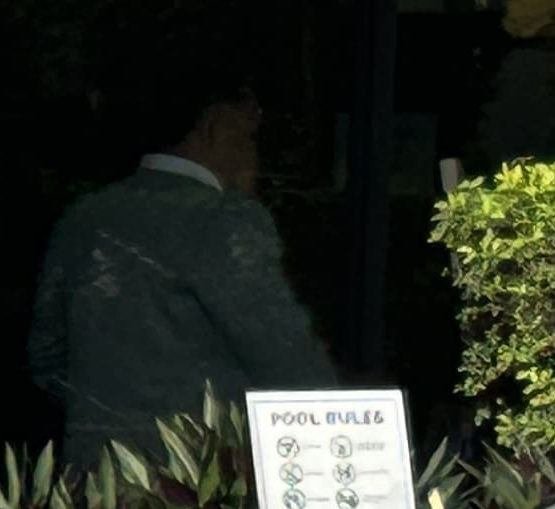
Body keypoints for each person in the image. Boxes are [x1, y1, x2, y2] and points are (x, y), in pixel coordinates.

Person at [28, 76, 334, 464]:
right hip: (197, 477)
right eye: (251, 136)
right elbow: (287, 361)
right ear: (218, 126)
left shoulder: (83, 217)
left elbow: (47, 357)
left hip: (94, 472)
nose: (255, 153)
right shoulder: (225, 218)